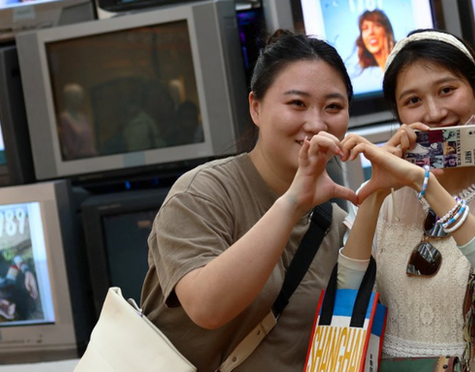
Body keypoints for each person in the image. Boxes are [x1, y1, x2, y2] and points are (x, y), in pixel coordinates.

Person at [140, 31, 359, 372]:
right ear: (256, 107)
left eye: (333, 107)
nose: (316, 124)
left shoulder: (333, 220)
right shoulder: (202, 192)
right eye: (297, 104)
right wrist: (292, 203)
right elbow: (207, 307)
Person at [341, 30, 475, 370]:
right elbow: (346, 295)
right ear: (398, 114)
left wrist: (425, 183)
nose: (435, 112)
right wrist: (377, 193)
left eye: (446, 90)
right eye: (413, 101)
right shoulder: (386, 203)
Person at [57, 83, 96, 160]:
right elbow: (70, 147)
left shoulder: (84, 118)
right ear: (70, 98)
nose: (81, 99)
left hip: (91, 158)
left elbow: (90, 141)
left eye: (81, 96)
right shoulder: (64, 119)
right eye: (77, 96)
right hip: (77, 160)